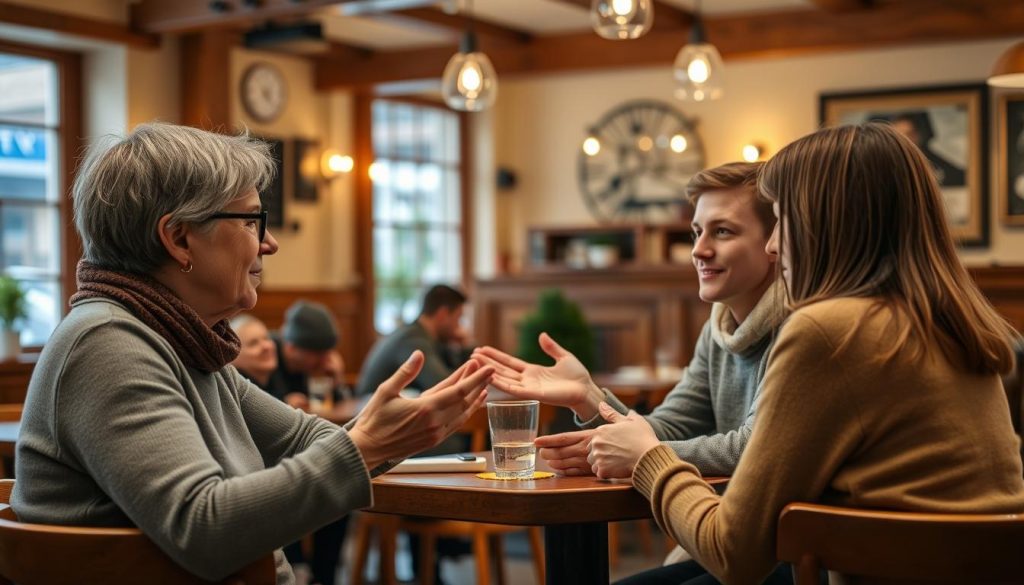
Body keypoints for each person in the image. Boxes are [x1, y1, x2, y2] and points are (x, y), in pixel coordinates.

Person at [12, 122, 492, 585]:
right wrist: (369, 444)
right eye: (250, 221)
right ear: (178, 238)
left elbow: (307, 439)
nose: (270, 241)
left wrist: (407, 429)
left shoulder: (180, 339)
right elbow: (203, 527)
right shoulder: (107, 343)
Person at [587, 122, 1024, 584]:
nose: (775, 245)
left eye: (784, 219)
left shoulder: (830, 331)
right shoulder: (946, 321)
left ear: (831, 224)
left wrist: (651, 459)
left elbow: (734, 552)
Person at [474, 161, 788, 582]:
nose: (698, 249)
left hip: (786, 549)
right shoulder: (718, 327)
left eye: (723, 231)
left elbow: (752, 447)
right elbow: (670, 425)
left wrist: (641, 456)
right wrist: (589, 397)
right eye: (697, 232)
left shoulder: (800, 327)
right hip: (730, 536)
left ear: (774, 242)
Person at [230, 313, 352, 585]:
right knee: (308, 483)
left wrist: (337, 383)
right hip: (253, 478)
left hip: (282, 463)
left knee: (336, 488)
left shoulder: (271, 373)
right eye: (254, 343)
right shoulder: (234, 382)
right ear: (232, 352)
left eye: (265, 339)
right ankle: (301, 568)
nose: (266, 345)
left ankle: (319, 575)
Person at [356, 284, 472, 399]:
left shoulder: (424, 335)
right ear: (443, 314)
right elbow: (443, 385)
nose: (459, 327)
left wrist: (463, 346)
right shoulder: (413, 340)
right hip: (369, 409)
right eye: (458, 318)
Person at [270, 300, 349, 417]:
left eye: (328, 352)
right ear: (291, 348)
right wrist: (282, 403)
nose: (326, 360)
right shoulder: (266, 356)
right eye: (319, 354)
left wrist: (337, 383)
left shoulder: (315, 367)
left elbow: (338, 411)